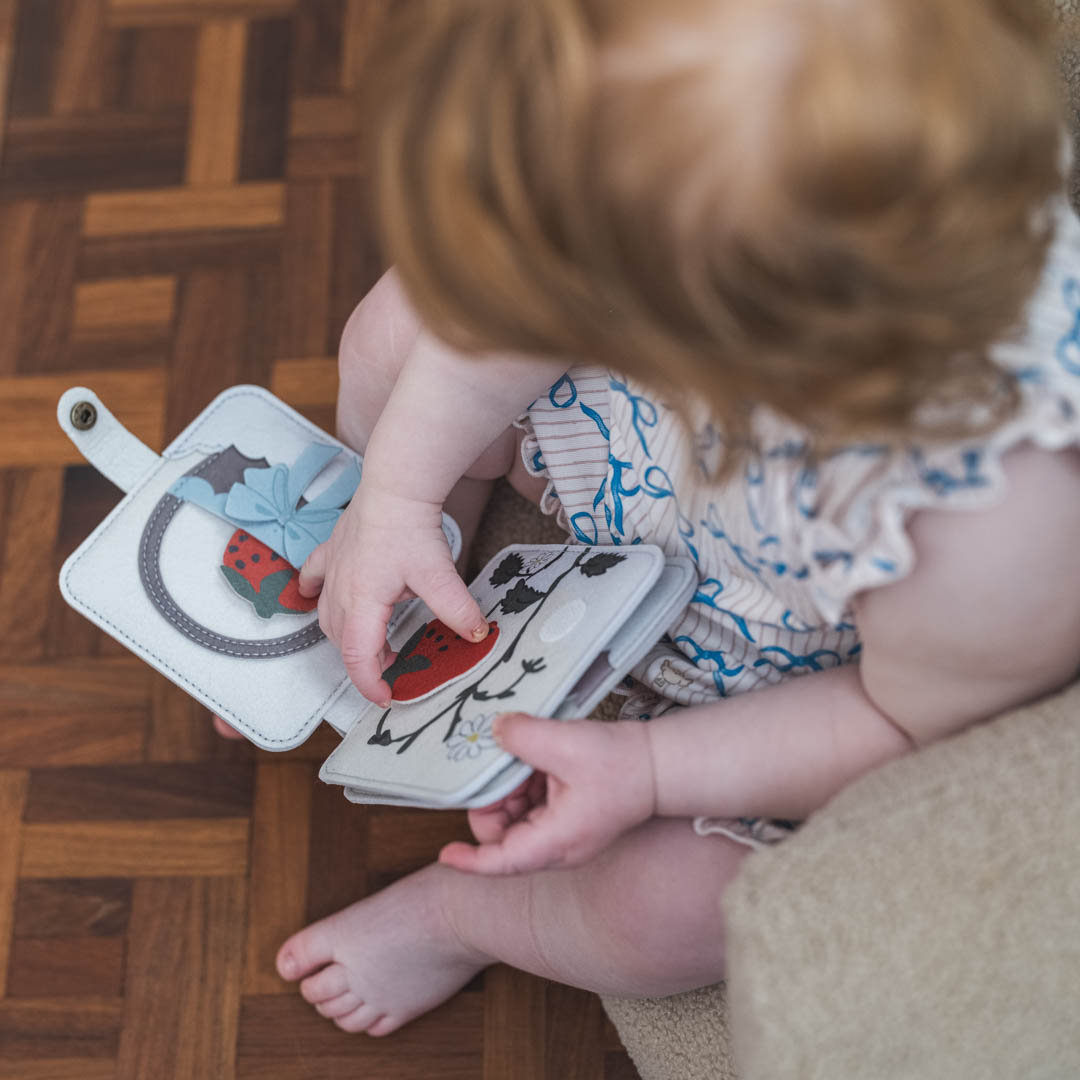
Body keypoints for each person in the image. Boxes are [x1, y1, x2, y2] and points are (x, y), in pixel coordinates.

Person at [223, 0, 1080, 1037]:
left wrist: (652, 772)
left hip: (779, 661)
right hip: (638, 466)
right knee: (402, 330)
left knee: (669, 913)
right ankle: (378, 607)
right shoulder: (698, 160)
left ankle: (467, 916)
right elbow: (517, 293)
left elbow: (897, 721)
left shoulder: (1000, 525)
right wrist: (396, 497)